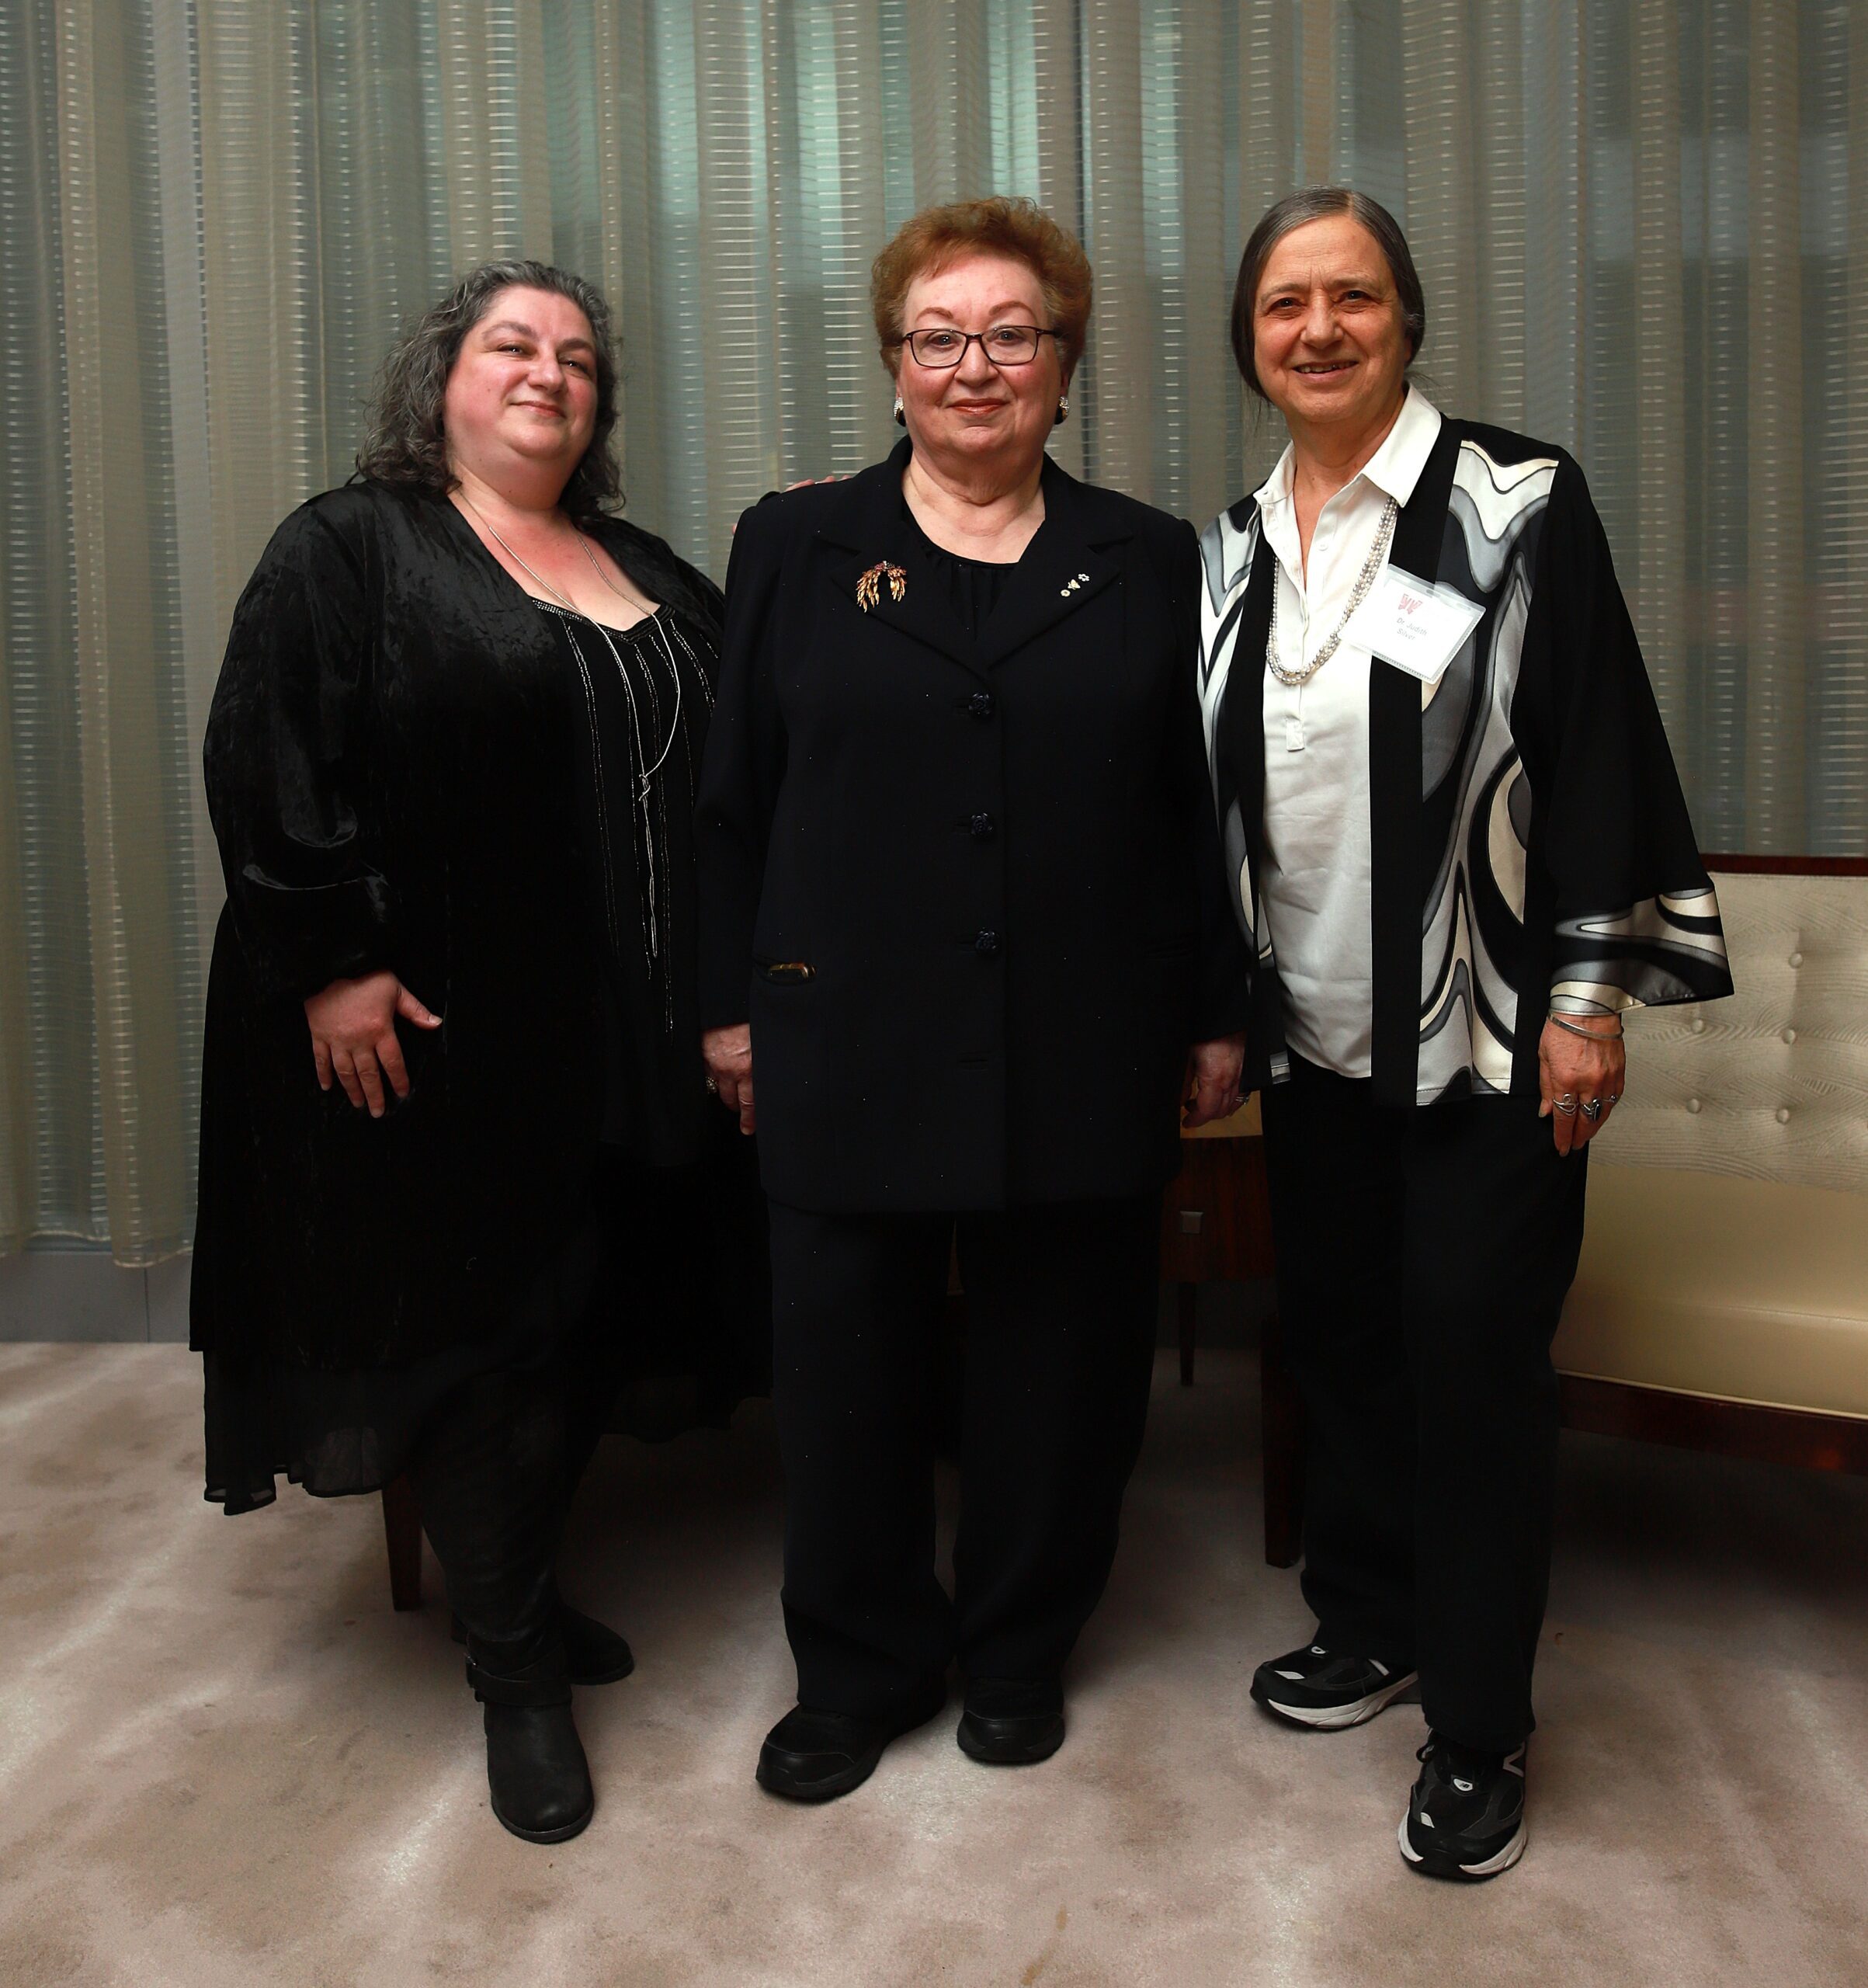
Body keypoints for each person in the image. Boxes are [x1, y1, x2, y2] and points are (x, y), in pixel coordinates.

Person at [193, 260, 765, 1845]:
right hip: (429, 1037)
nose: (547, 373)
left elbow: (746, 732)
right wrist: (335, 966)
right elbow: (266, 756)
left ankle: (510, 1591)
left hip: (617, 1033)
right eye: (511, 345)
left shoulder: (639, 562)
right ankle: (516, 1675)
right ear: (439, 379)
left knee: (586, 1320)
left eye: (577, 356)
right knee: (484, 1343)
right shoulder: (350, 545)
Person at [1197, 189, 1733, 1880]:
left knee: (1474, 1363)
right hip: (1316, 1042)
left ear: (1408, 320)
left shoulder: (1515, 501)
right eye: (1285, 302)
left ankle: (1481, 1724)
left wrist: (1585, 999)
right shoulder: (1229, 546)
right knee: (1344, 1338)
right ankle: (1371, 1618)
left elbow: (1594, 745)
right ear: (1249, 340)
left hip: (1490, 1038)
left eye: (1353, 296)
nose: (1319, 328)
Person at [696, 196, 1248, 1802]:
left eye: (1013, 334)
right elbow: (733, 798)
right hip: (844, 1030)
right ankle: (857, 1666)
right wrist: (727, 1009)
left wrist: (1213, 1006)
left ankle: (1015, 1649)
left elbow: (1194, 805)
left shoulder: (1147, 556)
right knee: (845, 1375)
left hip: (1084, 1030)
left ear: (1064, 364)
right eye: (938, 337)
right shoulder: (792, 543)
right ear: (893, 364)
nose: (975, 366)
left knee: (1061, 1372)